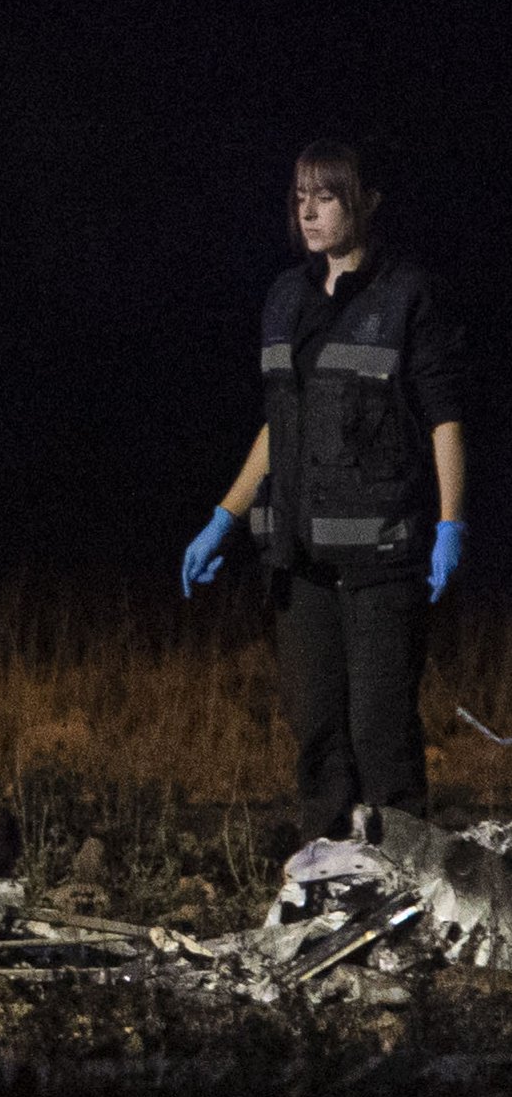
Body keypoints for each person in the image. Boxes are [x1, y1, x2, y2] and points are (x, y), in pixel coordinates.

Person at [180, 140, 467, 842]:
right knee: (317, 738)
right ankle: (326, 885)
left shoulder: (405, 295)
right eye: (299, 197)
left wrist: (451, 522)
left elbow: (443, 417)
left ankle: (403, 894)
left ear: (365, 203)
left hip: (381, 559)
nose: (308, 211)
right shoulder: (285, 297)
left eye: (327, 196)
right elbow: (281, 425)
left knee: (381, 736)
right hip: (297, 560)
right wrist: (224, 514)